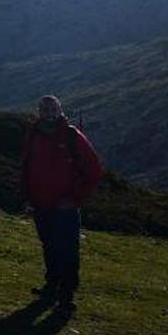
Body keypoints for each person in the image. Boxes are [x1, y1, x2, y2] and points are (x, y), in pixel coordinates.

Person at [21, 95, 102, 311]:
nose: (49, 113)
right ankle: (52, 285)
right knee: (49, 246)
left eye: (52, 109)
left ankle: (67, 294)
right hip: (41, 204)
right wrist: (27, 197)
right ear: (39, 112)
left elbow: (94, 170)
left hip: (65, 207)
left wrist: (75, 199)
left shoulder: (72, 136)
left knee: (67, 249)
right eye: (45, 109)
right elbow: (26, 167)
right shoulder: (34, 134)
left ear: (60, 110)